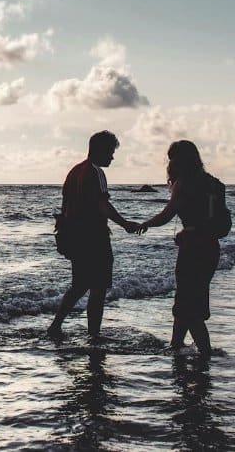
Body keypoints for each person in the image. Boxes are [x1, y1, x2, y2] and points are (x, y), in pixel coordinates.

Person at [48, 130, 138, 342]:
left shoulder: (74, 172)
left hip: (75, 237)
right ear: (100, 150)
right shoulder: (96, 172)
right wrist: (124, 224)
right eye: (110, 152)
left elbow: (65, 206)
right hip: (94, 238)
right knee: (97, 289)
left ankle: (56, 325)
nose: (112, 157)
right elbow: (102, 204)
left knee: (79, 285)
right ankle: (94, 335)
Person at [135, 140, 222, 354]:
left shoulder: (184, 183)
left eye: (172, 157)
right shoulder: (214, 184)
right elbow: (214, 219)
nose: (170, 162)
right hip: (211, 248)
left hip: (193, 250)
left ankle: (205, 353)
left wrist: (145, 224)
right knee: (190, 301)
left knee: (187, 306)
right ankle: (175, 347)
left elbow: (167, 214)